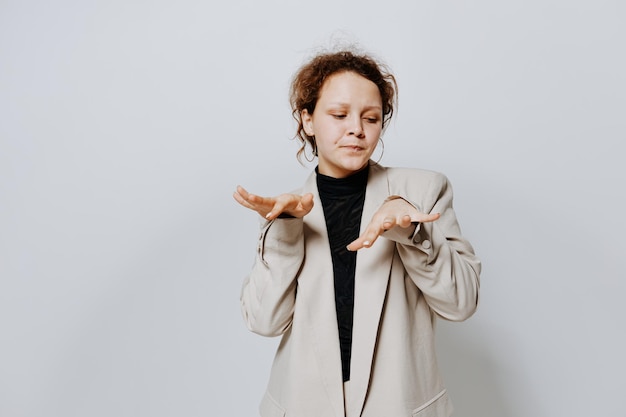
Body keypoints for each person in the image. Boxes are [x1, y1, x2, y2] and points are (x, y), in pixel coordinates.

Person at [233, 48, 481, 417]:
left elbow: (461, 303)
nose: (357, 129)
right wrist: (285, 230)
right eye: (339, 115)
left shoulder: (425, 191)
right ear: (308, 120)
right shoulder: (288, 210)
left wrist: (411, 231)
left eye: (372, 118)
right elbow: (264, 321)